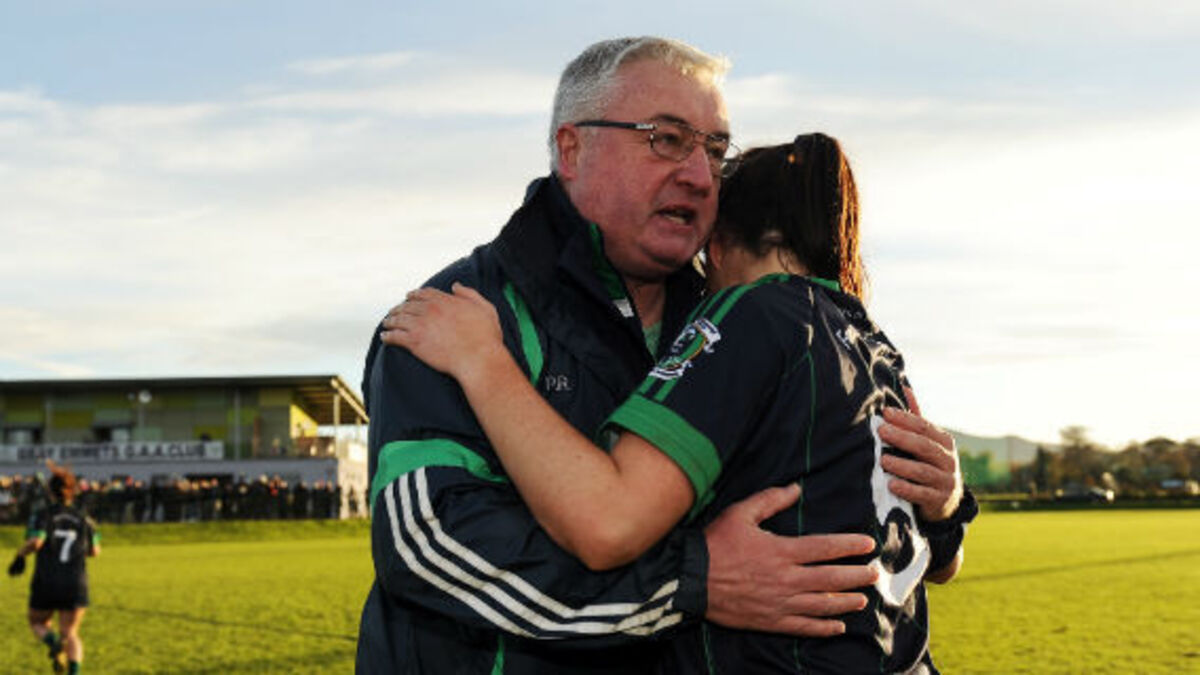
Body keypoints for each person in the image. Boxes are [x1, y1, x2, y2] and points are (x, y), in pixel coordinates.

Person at [357, 37, 965, 674]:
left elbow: (845, 511)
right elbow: (428, 543)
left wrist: (945, 504)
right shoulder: (457, 318)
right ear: (572, 148)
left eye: (715, 149)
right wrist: (687, 583)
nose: (701, 176)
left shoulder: (742, 322)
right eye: (666, 139)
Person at [7, 463, 100, 674]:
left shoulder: (42, 515)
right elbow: (95, 551)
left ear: (50, 491)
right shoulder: (84, 518)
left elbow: (36, 542)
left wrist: (20, 555)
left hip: (47, 580)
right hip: (75, 581)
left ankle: (53, 642)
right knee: (71, 633)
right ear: (72, 491)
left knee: (37, 622)